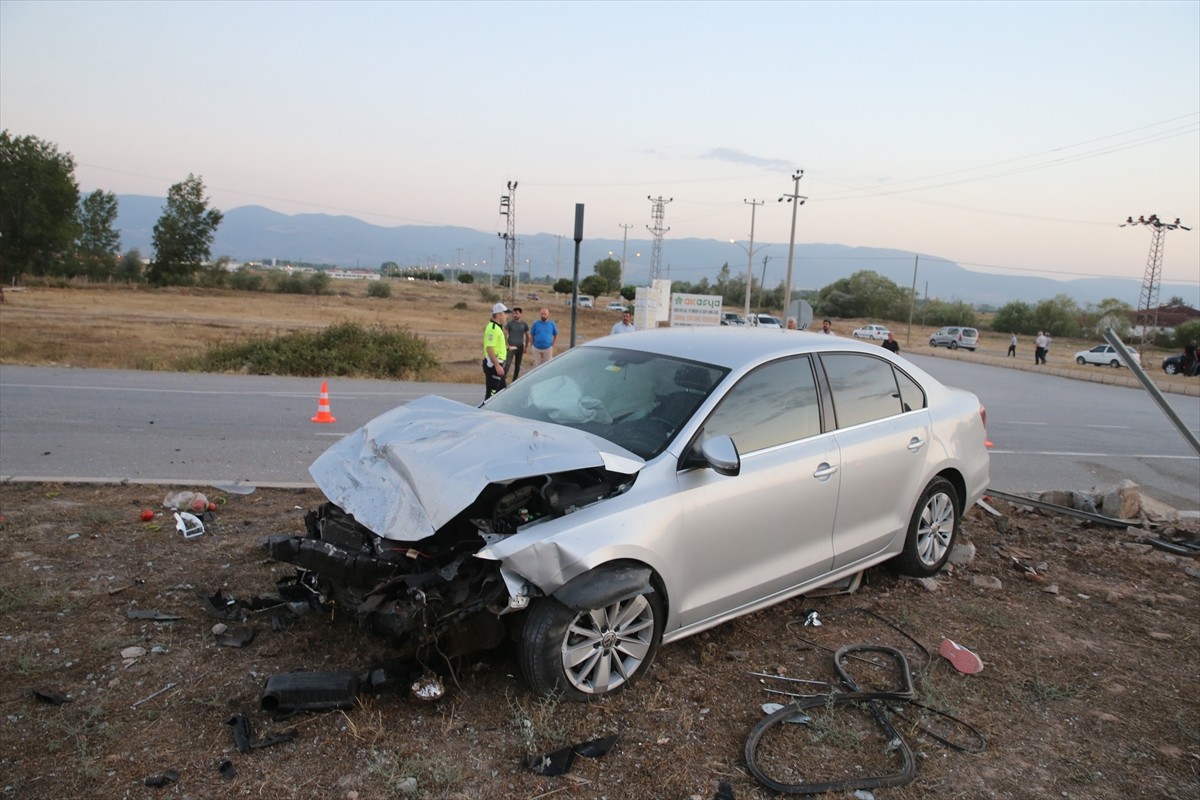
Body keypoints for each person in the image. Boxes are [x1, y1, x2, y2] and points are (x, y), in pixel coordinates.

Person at [482, 302, 509, 400]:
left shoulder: (497, 327)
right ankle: (487, 409)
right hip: (493, 365)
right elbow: (489, 348)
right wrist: (497, 366)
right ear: (498, 315)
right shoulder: (493, 328)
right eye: (505, 313)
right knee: (492, 394)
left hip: (497, 363)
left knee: (502, 391)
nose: (506, 316)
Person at [504, 306, 530, 381]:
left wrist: (526, 347)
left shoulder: (524, 324)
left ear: (520, 314)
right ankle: (503, 378)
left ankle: (514, 380)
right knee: (508, 363)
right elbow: (505, 334)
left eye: (516, 313)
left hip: (520, 347)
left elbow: (527, 336)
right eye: (513, 313)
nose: (515, 315)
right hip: (511, 347)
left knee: (517, 365)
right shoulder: (510, 324)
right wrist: (507, 344)